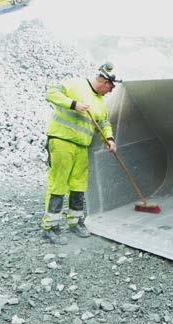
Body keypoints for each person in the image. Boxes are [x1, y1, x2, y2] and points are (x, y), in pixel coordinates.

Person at [42, 62, 122, 244]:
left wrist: (109, 139)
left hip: (81, 146)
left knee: (78, 184)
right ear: (104, 81)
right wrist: (73, 104)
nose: (111, 91)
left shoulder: (101, 104)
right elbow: (51, 93)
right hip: (62, 141)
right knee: (58, 183)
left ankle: (75, 222)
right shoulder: (75, 84)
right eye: (111, 87)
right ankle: (50, 227)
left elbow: (104, 124)